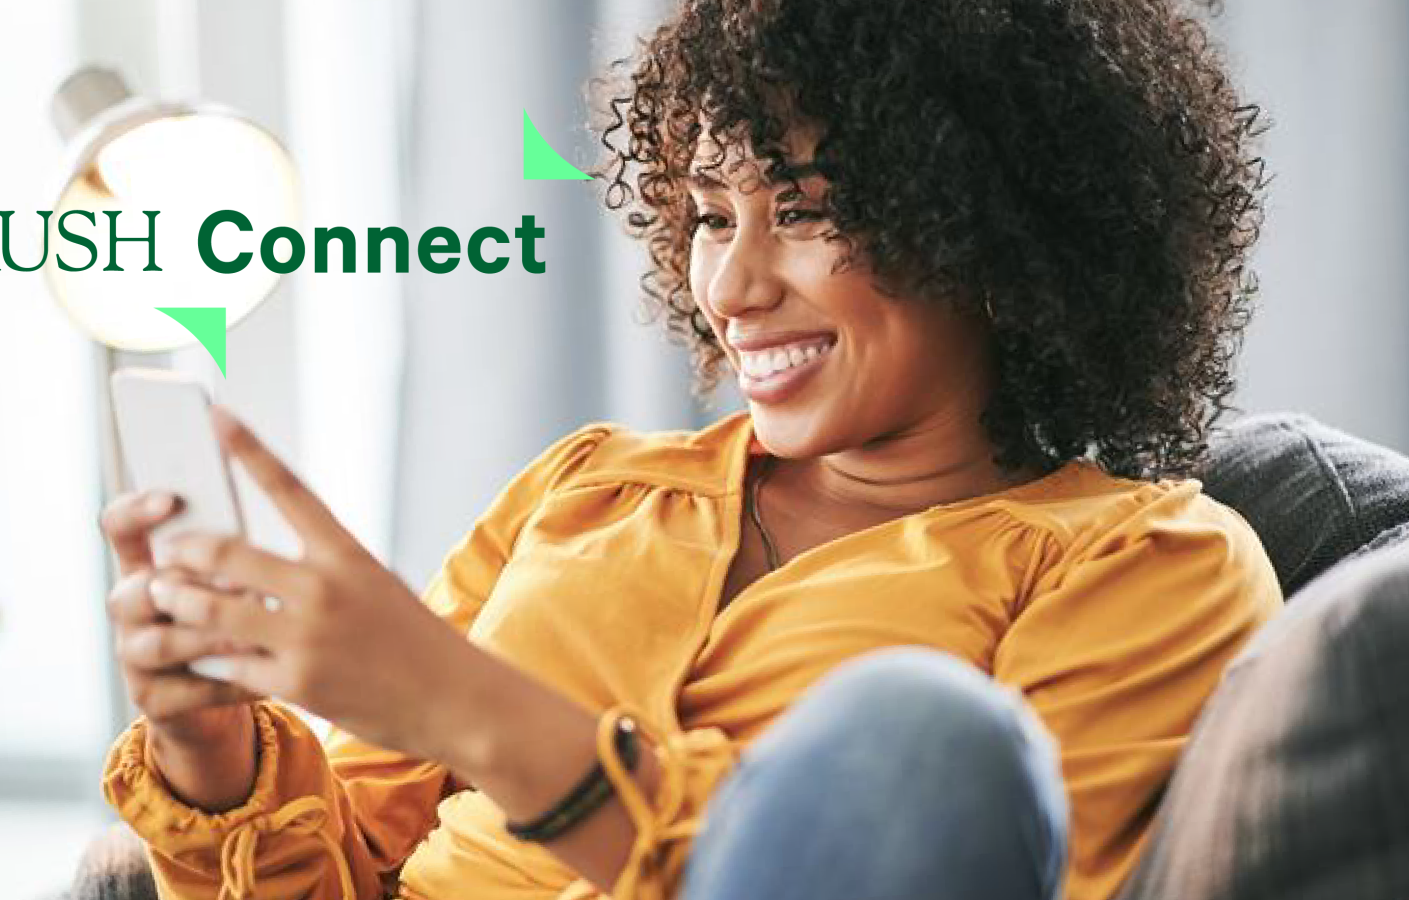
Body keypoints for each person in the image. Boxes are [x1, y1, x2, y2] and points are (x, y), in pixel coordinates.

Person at [95, 1, 1280, 898]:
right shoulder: (588, 489)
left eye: (807, 211)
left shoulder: (1146, 561)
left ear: (992, 227)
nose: (732, 285)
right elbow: (343, 869)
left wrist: (473, 712)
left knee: (926, 741)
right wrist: (212, 746)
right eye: (713, 215)